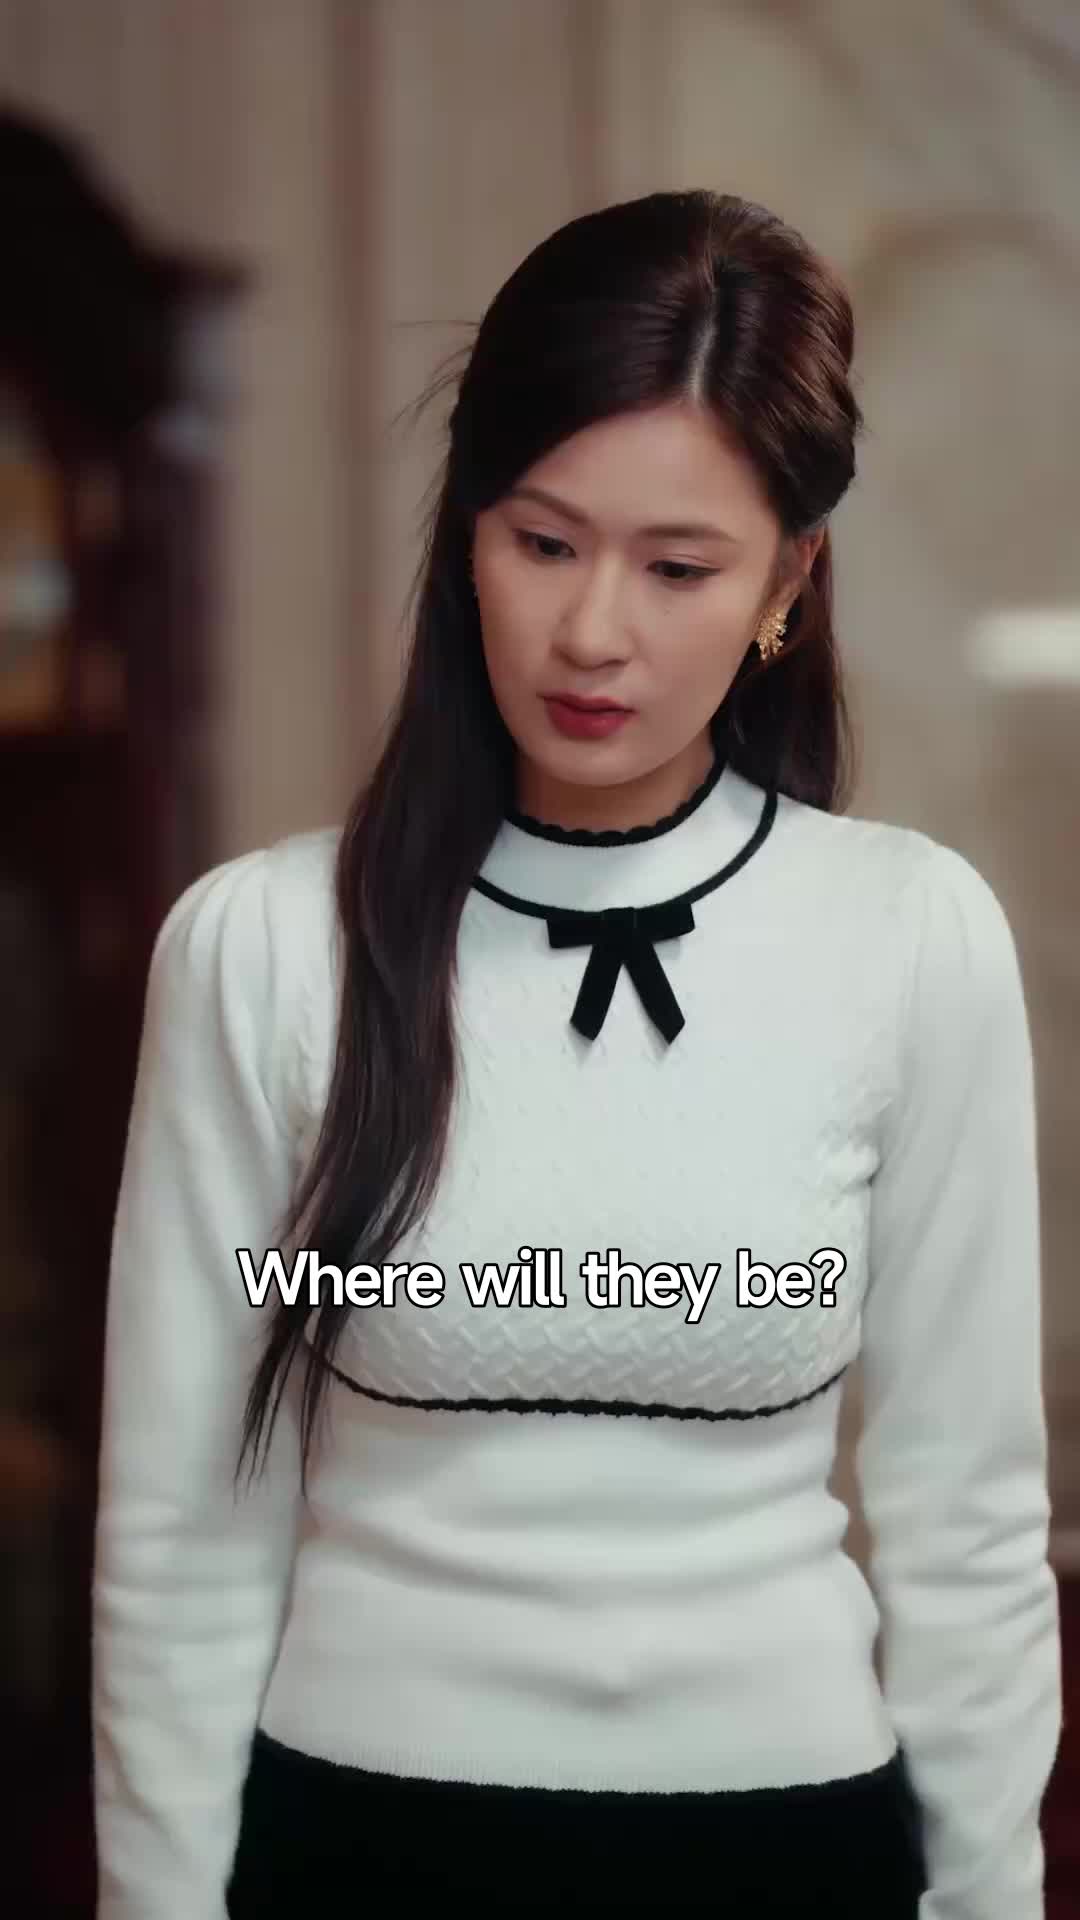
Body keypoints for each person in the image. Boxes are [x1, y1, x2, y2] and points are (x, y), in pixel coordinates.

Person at [91, 189, 1061, 1918]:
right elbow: (179, 1536)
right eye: (544, 543)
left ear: (786, 581)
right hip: (357, 1845)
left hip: (789, 1848)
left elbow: (968, 1523)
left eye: (678, 569)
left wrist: (983, 1897)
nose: (595, 631)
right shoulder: (263, 945)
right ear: (468, 533)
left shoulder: (910, 936)